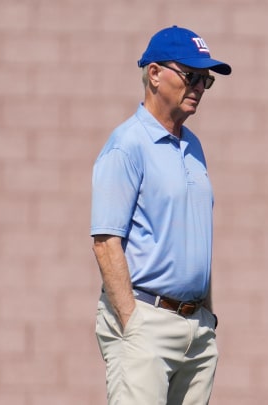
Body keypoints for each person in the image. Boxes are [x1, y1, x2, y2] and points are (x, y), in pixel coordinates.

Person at [90, 25, 231, 405]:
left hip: (196, 328)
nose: (200, 86)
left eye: (206, 79)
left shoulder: (194, 146)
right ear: (154, 74)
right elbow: (105, 242)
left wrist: (208, 318)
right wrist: (133, 325)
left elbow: (197, 238)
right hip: (146, 320)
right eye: (191, 75)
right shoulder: (126, 145)